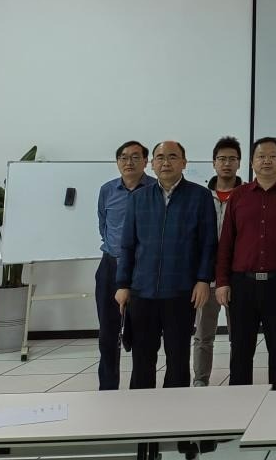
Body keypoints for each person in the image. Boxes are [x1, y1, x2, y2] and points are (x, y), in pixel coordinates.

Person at [114, 140, 216, 389]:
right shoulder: (138, 198)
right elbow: (127, 245)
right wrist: (123, 284)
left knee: (178, 357)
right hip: (142, 291)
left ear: (184, 162)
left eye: (172, 156)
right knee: (142, 358)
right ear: (152, 164)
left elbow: (208, 243)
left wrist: (203, 279)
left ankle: (176, 408)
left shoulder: (200, 196)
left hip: (180, 291)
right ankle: (141, 407)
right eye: (160, 157)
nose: (166, 162)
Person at [216, 137, 276, 390]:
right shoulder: (238, 196)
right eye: (261, 156)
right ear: (252, 162)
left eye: (272, 156)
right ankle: (240, 402)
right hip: (242, 285)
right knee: (241, 350)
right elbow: (226, 242)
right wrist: (222, 281)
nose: (266, 161)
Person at [95, 141, 154, 390]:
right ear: (117, 162)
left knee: (142, 333)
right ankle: (108, 388)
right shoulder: (107, 190)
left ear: (146, 161)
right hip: (111, 265)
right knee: (108, 333)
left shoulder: (155, 189)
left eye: (135, 157)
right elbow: (103, 225)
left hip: (143, 269)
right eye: (123, 157)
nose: (128, 162)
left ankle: (139, 390)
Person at [192, 136, 242, 387]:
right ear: (213, 163)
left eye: (232, 159)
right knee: (203, 334)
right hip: (206, 275)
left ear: (239, 163)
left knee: (239, 335)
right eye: (222, 159)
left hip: (238, 276)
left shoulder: (246, 195)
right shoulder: (200, 196)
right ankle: (200, 380)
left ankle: (238, 380)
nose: (227, 164)